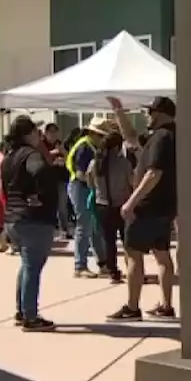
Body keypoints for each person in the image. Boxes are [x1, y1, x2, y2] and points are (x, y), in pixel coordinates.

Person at [106, 95, 177, 322]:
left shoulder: (162, 137)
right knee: (162, 255)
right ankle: (166, 305)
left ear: (161, 113)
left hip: (147, 207)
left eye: (151, 112)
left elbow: (154, 173)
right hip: (164, 207)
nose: (148, 115)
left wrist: (131, 202)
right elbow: (131, 138)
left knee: (133, 254)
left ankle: (132, 306)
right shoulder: (167, 135)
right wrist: (119, 113)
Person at [1, 115, 61, 332]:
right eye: (36, 132)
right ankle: (30, 317)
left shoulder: (9, 157)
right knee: (32, 268)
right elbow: (40, 171)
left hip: (13, 219)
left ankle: (22, 311)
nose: (39, 135)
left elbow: (7, 188)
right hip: (33, 219)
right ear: (28, 134)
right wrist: (40, 195)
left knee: (27, 266)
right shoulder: (31, 154)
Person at [87, 128, 134, 285]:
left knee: (109, 241)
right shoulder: (123, 163)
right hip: (122, 205)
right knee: (128, 241)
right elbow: (132, 183)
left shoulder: (95, 163)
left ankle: (113, 271)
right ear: (117, 147)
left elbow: (90, 182)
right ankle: (133, 269)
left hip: (102, 205)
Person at [64, 118, 107, 278]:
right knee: (84, 226)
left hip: (87, 188)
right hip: (80, 187)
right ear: (93, 133)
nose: (103, 139)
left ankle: (103, 263)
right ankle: (80, 265)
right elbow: (81, 173)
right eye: (101, 135)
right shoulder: (84, 147)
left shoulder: (91, 146)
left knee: (95, 226)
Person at [41, 123, 71, 238]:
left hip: (62, 179)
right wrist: (53, 160)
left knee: (62, 205)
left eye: (55, 132)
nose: (53, 135)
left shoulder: (62, 144)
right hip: (47, 180)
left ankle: (64, 229)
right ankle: (51, 229)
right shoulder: (42, 145)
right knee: (49, 205)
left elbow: (70, 159)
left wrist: (63, 152)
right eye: (50, 132)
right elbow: (41, 158)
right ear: (46, 133)